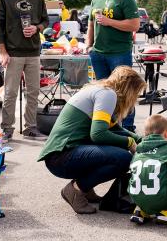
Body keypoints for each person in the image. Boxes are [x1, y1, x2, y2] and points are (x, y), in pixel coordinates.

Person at [38, 66, 145, 214]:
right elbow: (98, 134)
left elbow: (113, 129)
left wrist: (141, 139)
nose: (136, 98)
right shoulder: (108, 95)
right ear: (129, 89)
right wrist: (130, 142)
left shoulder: (102, 90)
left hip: (62, 154)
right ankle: (76, 190)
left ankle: (85, 189)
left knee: (118, 151)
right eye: (136, 93)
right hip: (61, 156)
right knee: (124, 158)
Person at [0, 0, 49, 141]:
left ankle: (30, 128)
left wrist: (37, 28)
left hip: (33, 52)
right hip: (13, 53)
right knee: (10, 93)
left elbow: (45, 21)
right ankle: (7, 129)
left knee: (33, 92)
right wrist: (3, 52)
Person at [87, 0, 141, 131]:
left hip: (119, 54)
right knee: (104, 92)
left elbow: (135, 25)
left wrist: (109, 22)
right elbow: (91, 24)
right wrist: (89, 46)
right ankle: (109, 126)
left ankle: (128, 127)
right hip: (98, 54)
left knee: (125, 92)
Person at [128, 114, 167, 225]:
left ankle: (141, 210)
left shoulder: (138, 150)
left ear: (145, 134)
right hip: (162, 200)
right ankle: (165, 212)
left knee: (143, 175)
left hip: (136, 197)